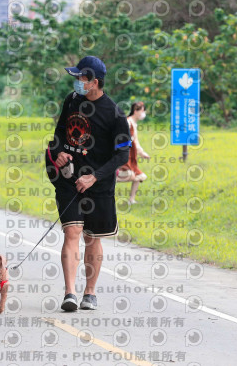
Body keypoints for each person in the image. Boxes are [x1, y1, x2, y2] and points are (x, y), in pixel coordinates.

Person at [46, 56, 131, 312]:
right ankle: (70, 293)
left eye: (81, 78)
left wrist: (94, 176)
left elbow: (122, 155)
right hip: (69, 179)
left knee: (92, 237)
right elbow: (59, 133)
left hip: (99, 185)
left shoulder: (115, 114)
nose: (77, 82)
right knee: (72, 231)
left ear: (94, 82)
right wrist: (59, 152)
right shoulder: (72, 100)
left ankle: (89, 293)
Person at [117, 101, 150, 204]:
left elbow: (135, 142)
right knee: (128, 175)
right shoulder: (127, 122)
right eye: (142, 111)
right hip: (123, 155)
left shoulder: (133, 124)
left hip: (131, 156)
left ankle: (131, 199)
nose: (144, 113)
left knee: (139, 176)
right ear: (135, 111)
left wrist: (142, 153)